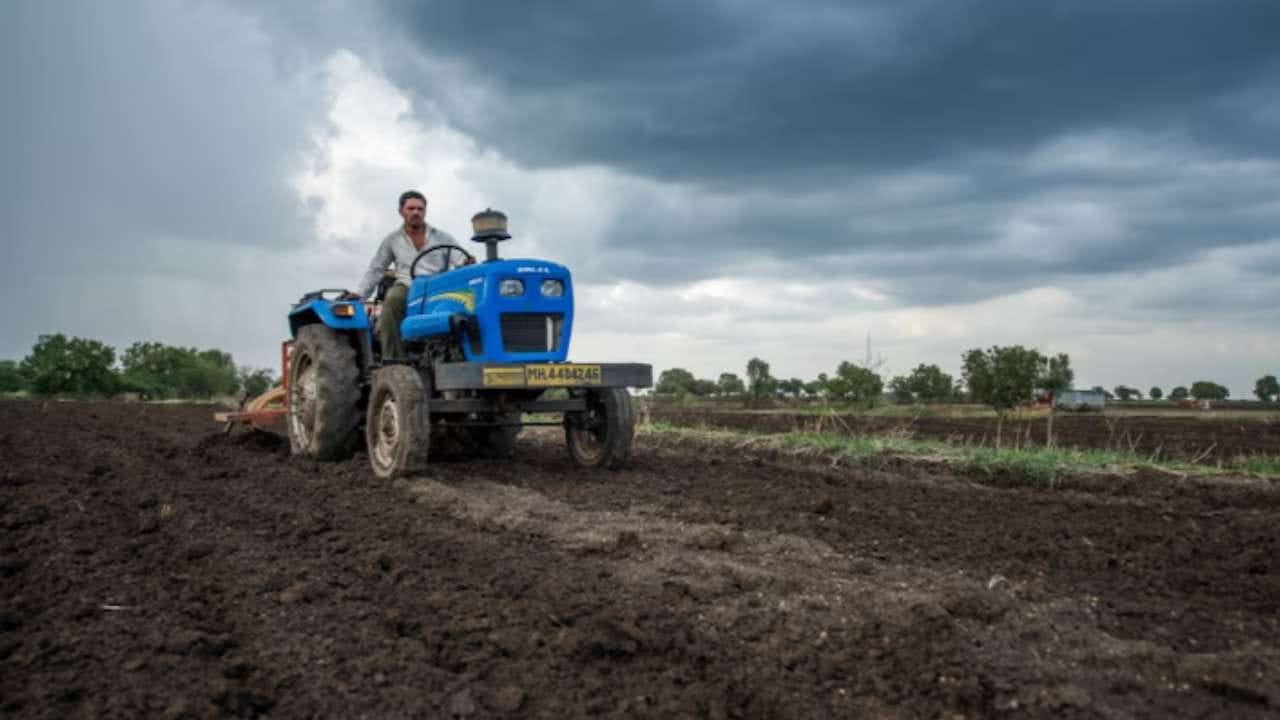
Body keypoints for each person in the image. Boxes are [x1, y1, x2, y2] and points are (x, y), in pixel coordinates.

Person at [351, 190, 459, 360]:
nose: (416, 212)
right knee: (393, 299)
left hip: (438, 286)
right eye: (411, 209)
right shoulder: (392, 240)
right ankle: (394, 360)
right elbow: (376, 269)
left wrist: (467, 262)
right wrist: (359, 294)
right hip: (408, 285)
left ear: (425, 211)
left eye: (420, 209)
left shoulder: (443, 237)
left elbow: (459, 259)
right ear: (401, 211)